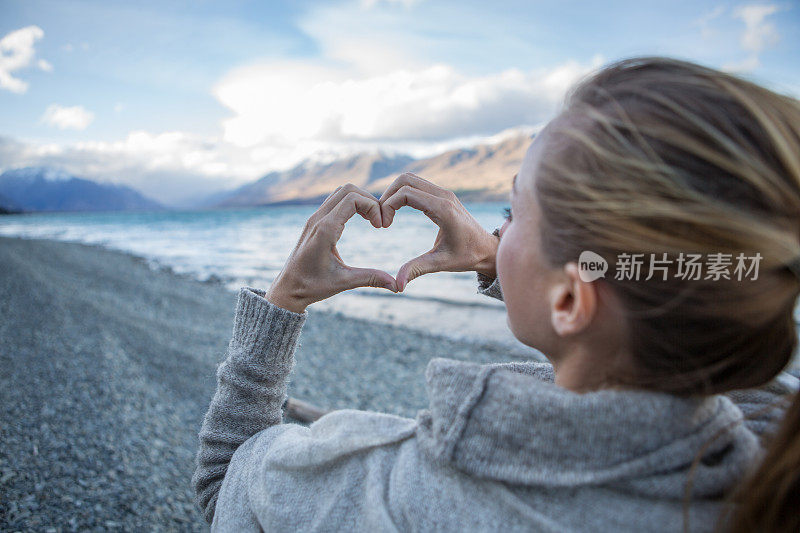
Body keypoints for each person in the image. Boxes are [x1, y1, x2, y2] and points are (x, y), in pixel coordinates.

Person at [191, 56, 800, 532]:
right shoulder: (763, 461)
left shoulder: (395, 490)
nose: (498, 231)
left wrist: (283, 301)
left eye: (513, 209)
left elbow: (227, 485)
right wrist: (505, 266)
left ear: (570, 304)